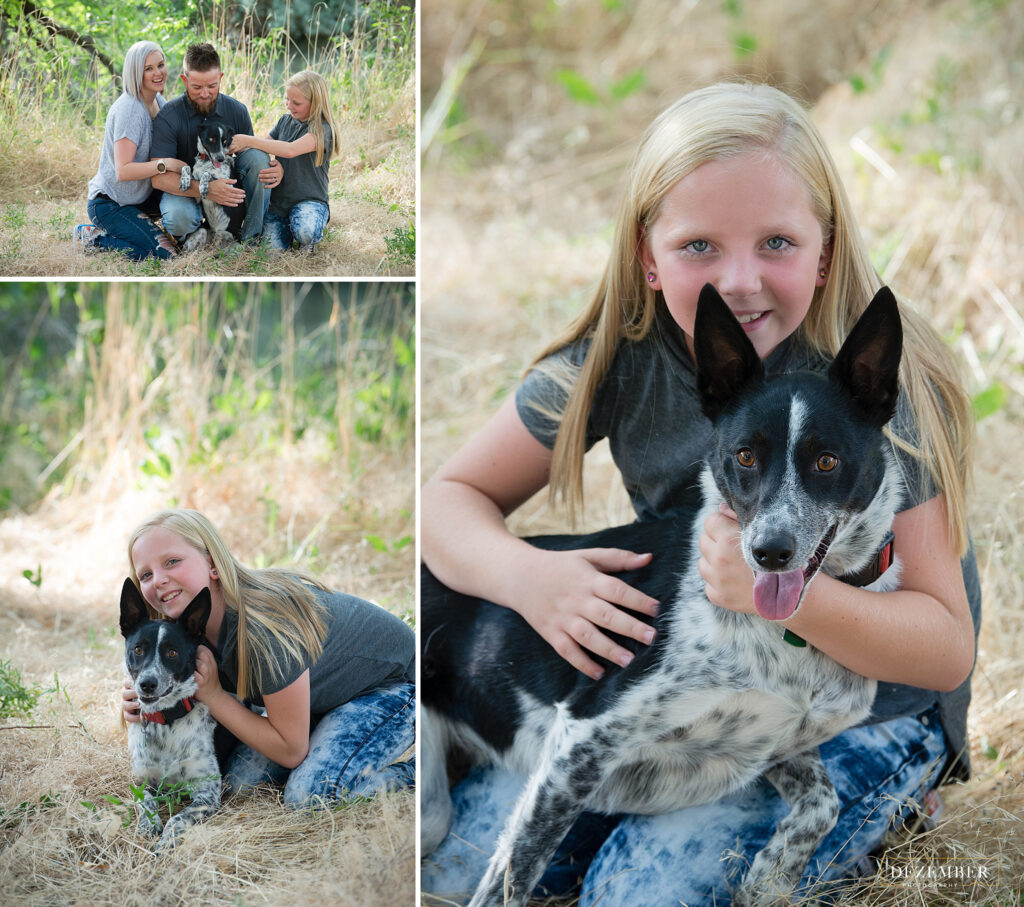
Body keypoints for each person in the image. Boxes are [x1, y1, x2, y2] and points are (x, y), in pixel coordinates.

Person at [420, 82, 981, 905]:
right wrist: (530, 579)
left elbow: (944, 645)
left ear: (825, 250)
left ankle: (889, 802)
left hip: (871, 710)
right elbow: (444, 500)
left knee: (640, 894)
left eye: (778, 242)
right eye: (699, 247)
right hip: (702, 696)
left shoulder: (885, 379)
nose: (741, 280)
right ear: (648, 256)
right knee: (453, 865)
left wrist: (780, 596)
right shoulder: (626, 359)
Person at [121, 509, 415, 806]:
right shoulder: (187, 631)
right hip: (318, 700)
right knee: (240, 787)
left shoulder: (264, 628)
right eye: (146, 574)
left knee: (309, 796)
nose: (158, 580)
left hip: (393, 688)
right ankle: (324, 740)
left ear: (212, 564)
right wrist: (144, 702)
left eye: (172, 562)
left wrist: (214, 696)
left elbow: (291, 750)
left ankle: (418, 772)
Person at [148, 44, 283, 247]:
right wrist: (207, 190)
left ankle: (251, 238)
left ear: (220, 78)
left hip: (226, 187)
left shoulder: (237, 111)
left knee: (259, 159)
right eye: (196, 87)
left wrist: (279, 164)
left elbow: (253, 161)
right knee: (178, 216)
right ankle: (194, 239)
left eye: (212, 86)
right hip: (185, 191)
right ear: (185, 81)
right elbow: (159, 180)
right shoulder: (168, 116)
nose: (205, 94)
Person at [80, 41, 184, 259]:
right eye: (149, 69)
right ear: (136, 72)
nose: (158, 73)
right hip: (111, 203)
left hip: (140, 198)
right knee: (166, 255)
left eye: (161, 65)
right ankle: (92, 237)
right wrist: (165, 165)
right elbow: (123, 170)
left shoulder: (158, 101)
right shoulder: (130, 110)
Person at [229, 70, 341, 254]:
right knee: (270, 252)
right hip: (279, 205)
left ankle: (307, 240)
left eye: (296, 103)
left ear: (316, 103)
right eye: (287, 99)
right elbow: (267, 146)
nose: (289, 106)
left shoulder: (323, 130)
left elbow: (291, 150)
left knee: (305, 230)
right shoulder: (284, 121)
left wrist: (248, 139)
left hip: (309, 201)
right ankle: (286, 230)